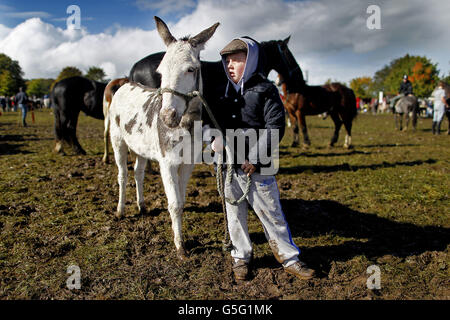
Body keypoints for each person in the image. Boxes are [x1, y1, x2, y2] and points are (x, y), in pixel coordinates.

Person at [206, 37, 316, 281]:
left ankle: (289, 258)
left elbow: (275, 126)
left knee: (271, 212)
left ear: (253, 59)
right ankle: (240, 258)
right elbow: (208, 122)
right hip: (228, 166)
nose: (230, 64)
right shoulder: (219, 91)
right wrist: (212, 139)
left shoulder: (266, 90)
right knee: (234, 215)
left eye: (237, 59)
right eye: (227, 60)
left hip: (259, 166)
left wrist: (255, 158)